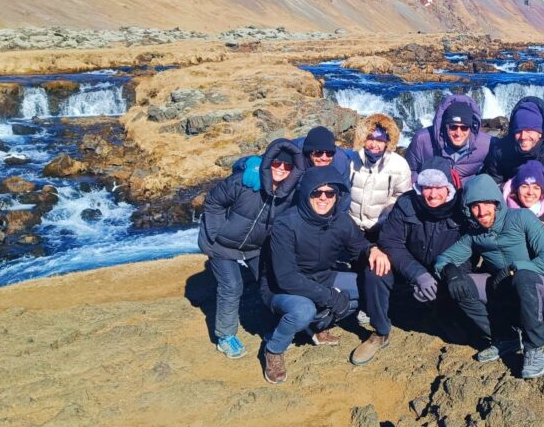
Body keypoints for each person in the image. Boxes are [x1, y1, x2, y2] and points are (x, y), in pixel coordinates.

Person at [259, 166, 391, 384]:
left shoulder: (339, 220)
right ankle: (274, 348)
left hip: (322, 277)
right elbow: (286, 278)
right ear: (305, 194)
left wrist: (373, 250)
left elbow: (359, 244)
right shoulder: (286, 224)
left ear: (337, 196)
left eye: (329, 193)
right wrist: (329, 296)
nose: (323, 198)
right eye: (316, 192)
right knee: (303, 310)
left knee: (370, 283)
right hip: (280, 288)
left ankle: (318, 326)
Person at [434, 175, 544, 379]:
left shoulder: (522, 218)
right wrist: (451, 272)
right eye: (474, 206)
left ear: (497, 203)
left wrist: (513, 269)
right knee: (459, 284)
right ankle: (505, 337)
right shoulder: (475, 236)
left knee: (524, 277)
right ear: (467, 209)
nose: (481, 212)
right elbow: (443, 260)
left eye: (486, 203)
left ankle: (534, 349)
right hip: (511, 299)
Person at [351, 157, 479, 365]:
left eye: (439, 187)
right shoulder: (406, 203)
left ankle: (442, 313)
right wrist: (417, 274)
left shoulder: (462, 210)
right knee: (375, 270)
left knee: (458, 299)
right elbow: (390, 241)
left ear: (449, 187)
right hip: (408, 266)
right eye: (427, 187)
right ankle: (380, 331)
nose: (432, 194)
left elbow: (468, 252)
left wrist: (444, 275)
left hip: (444, 270)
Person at [198, 138, 302, 359]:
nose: (281, 169)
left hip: (255, 246)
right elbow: (214, 202)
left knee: (269, 281)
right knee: (232, 285)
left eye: (287, 166)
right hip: (221, 244)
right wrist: (216, 233)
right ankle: (225, 336)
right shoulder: (244, 182)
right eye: (277, 164)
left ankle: (272, 328)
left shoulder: (290, 194)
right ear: (268, 163)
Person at [348, 113, 412, 242]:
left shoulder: (399, 165)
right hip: (351, 225)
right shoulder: (351, 159)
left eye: (380, 140)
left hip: (381, 227)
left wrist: (385, 217)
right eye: (370, 138)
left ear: (387, 142)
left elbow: (401, 196)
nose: (374, 145)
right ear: (363, 139)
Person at [483, 96, 544, 184]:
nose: (523, 136)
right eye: (518, 131)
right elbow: (492, 184)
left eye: (529, 131)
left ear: (540, 133)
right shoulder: (500, 151)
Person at [405, 94, 492, 186]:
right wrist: (420, 191)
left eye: (464, 128)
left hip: (467, 194)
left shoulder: (487, 144)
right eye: (453, 127)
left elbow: (496, 173)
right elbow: (409, 171)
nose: (458, 133)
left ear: (471, 128)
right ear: (445, 126)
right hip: (433, 193)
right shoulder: (422, 140)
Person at [233, 125, 351, 189]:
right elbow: (244, 163)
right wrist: (253, 164)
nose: (324, 157)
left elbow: (344, 195)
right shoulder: (292, 151)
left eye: (329, 153)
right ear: (309, 152)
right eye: (319, 152)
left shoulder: (341, 162)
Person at [501, 159, 544, 232]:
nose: (530, 192)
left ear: (542, 192)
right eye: (524, 186)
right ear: (516, 189)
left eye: (536, 187)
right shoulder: (503, 213)